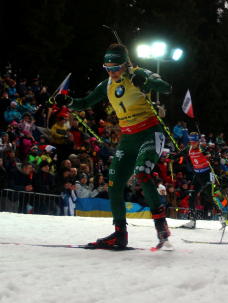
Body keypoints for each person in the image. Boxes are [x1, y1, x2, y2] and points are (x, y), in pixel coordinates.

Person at [54, 43, 172, 250]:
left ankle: (160, 223)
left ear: (126, 64)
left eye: (116, 68)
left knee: (143, 173)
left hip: (149, 133)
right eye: (107, 68)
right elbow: (84, 103)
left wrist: (145, 80)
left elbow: (166, 87)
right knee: (114, 186)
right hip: (128, 138)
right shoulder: (106, 84)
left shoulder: (138, 73)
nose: (112, 72)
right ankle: (119, 235)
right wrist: (68, 101)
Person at [170, 132, 226, 229]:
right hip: (197, 175)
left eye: (195, 142)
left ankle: (221, 218)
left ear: (198, 141)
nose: (193, 144)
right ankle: (192, 221)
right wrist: (171, 157)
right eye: (191, 142)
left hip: (207, 174)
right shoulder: (189, 148)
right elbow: (180, 154)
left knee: (210, 196)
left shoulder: (202, 146)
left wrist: (207, 153)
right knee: (191, 197)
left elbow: (214, 153)